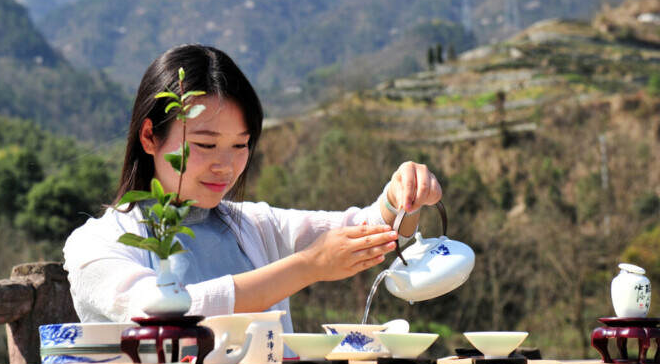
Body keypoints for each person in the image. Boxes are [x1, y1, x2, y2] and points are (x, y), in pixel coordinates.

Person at [63, 44, 442, 333]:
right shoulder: (98, 244)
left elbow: (371, 230)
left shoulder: (254, 226)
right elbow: (161, 310)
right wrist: (308, 266)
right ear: (150, 137)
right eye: (206, 145)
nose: (224, 165)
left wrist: (401, 197)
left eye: (240, 145)